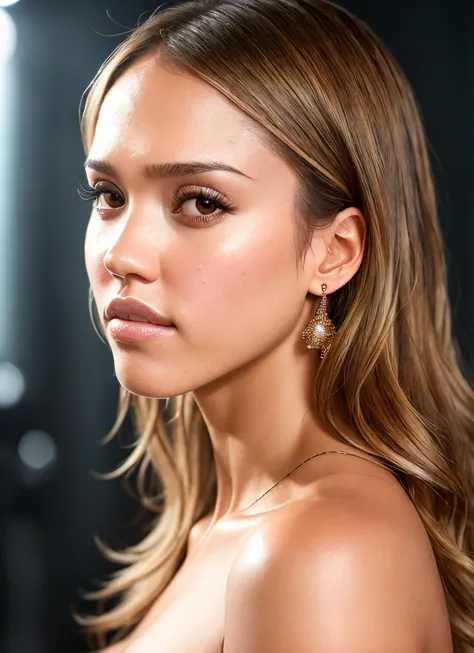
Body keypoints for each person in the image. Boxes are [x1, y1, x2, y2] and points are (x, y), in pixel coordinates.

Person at [74, 0, 474, 651]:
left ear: (334, 251)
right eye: (109, 195)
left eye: (201, 202)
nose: (121, 253)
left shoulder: (321, 552)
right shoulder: (229, 526)